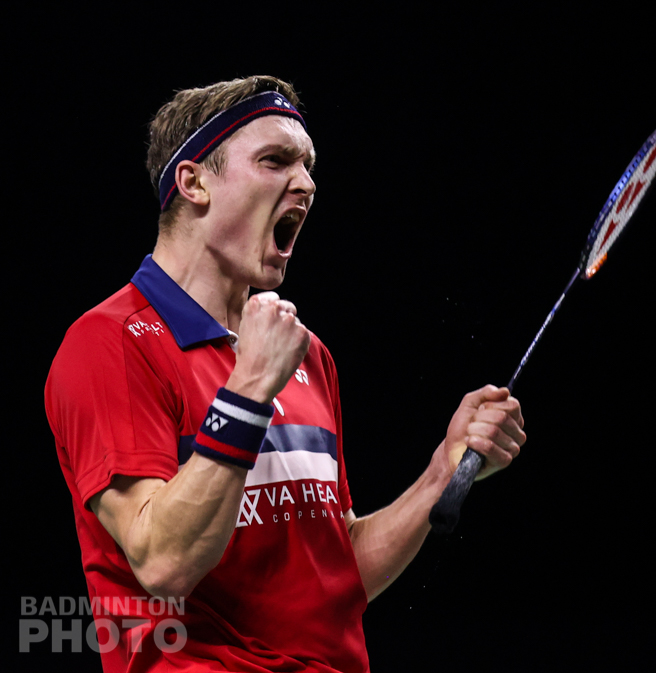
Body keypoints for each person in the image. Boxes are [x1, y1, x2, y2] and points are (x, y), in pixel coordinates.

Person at [45, 76, 526, 673]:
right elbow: (163, 561)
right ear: (194, 182)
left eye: (308, 166)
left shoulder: (306, 355)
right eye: (275, 161)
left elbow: (334, 572)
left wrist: (442, 470)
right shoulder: (111, 343)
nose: (305, 183)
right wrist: (246, 394)